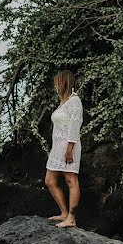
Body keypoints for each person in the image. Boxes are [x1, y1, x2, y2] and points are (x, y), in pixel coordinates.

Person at [44, 70, 83, 228]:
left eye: (57, 82)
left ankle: (71, 219)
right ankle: (64, 213)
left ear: (64, 82)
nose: (55, 85)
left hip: (69, 147)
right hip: (57, 148)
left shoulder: (75, 101)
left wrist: (69, 149)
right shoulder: (64, 102)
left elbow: (75, 126)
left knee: (70, 180)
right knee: (50, 181)